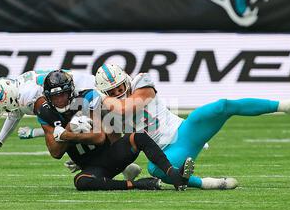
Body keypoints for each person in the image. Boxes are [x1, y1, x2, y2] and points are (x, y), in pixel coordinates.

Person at [94, 64, 290, 190]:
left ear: (126, 79)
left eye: (119, 87)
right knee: (155, 169)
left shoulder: (141, 81)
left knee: (222, 106)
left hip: (185, 131)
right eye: (111, 92)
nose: (117, 93)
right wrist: (118, 165)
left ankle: (286, 106)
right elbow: (116, 143)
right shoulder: (110, 110)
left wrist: (101, 102)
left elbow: (128, 107)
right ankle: (208, 183)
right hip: (168, 152)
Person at [37, 70, 194, 191]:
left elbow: (98, 137)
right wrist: (70, 129)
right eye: (55, 96)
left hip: (111, 154)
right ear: (48, 97)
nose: (60, 99)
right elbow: (55, 152)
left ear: (70, 91)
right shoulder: (45, 112)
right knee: (81, 181)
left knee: (139, 137)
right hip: (93, 168)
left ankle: (174, 175)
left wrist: (66, 135)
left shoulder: (86, 98)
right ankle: (138, 184)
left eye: (63, 94)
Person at [0, 69, 144, 181]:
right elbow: (16, 114)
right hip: (76, 92)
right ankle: (123, 164)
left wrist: (39, 133)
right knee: (92, 128)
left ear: (7, 98)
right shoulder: (19, 88)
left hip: (86, 90)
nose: (7, 111)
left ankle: (125, 161)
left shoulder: (27, 95)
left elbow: (53, 122)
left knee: (108, 125)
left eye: (4, 106)